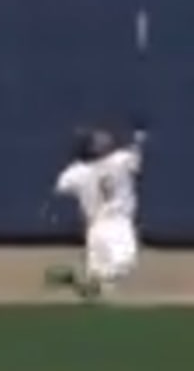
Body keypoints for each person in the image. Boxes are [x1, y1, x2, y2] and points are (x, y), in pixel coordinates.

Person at [45, 123, 145, 302]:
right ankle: (77, 276)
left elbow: (59, 188)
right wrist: (138, 139)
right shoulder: (121, 160)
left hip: (95, 229)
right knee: (125, 265)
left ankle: (75, 281)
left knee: (98, 291)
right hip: (118, 223)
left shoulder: (76, 172)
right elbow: (136, 161)